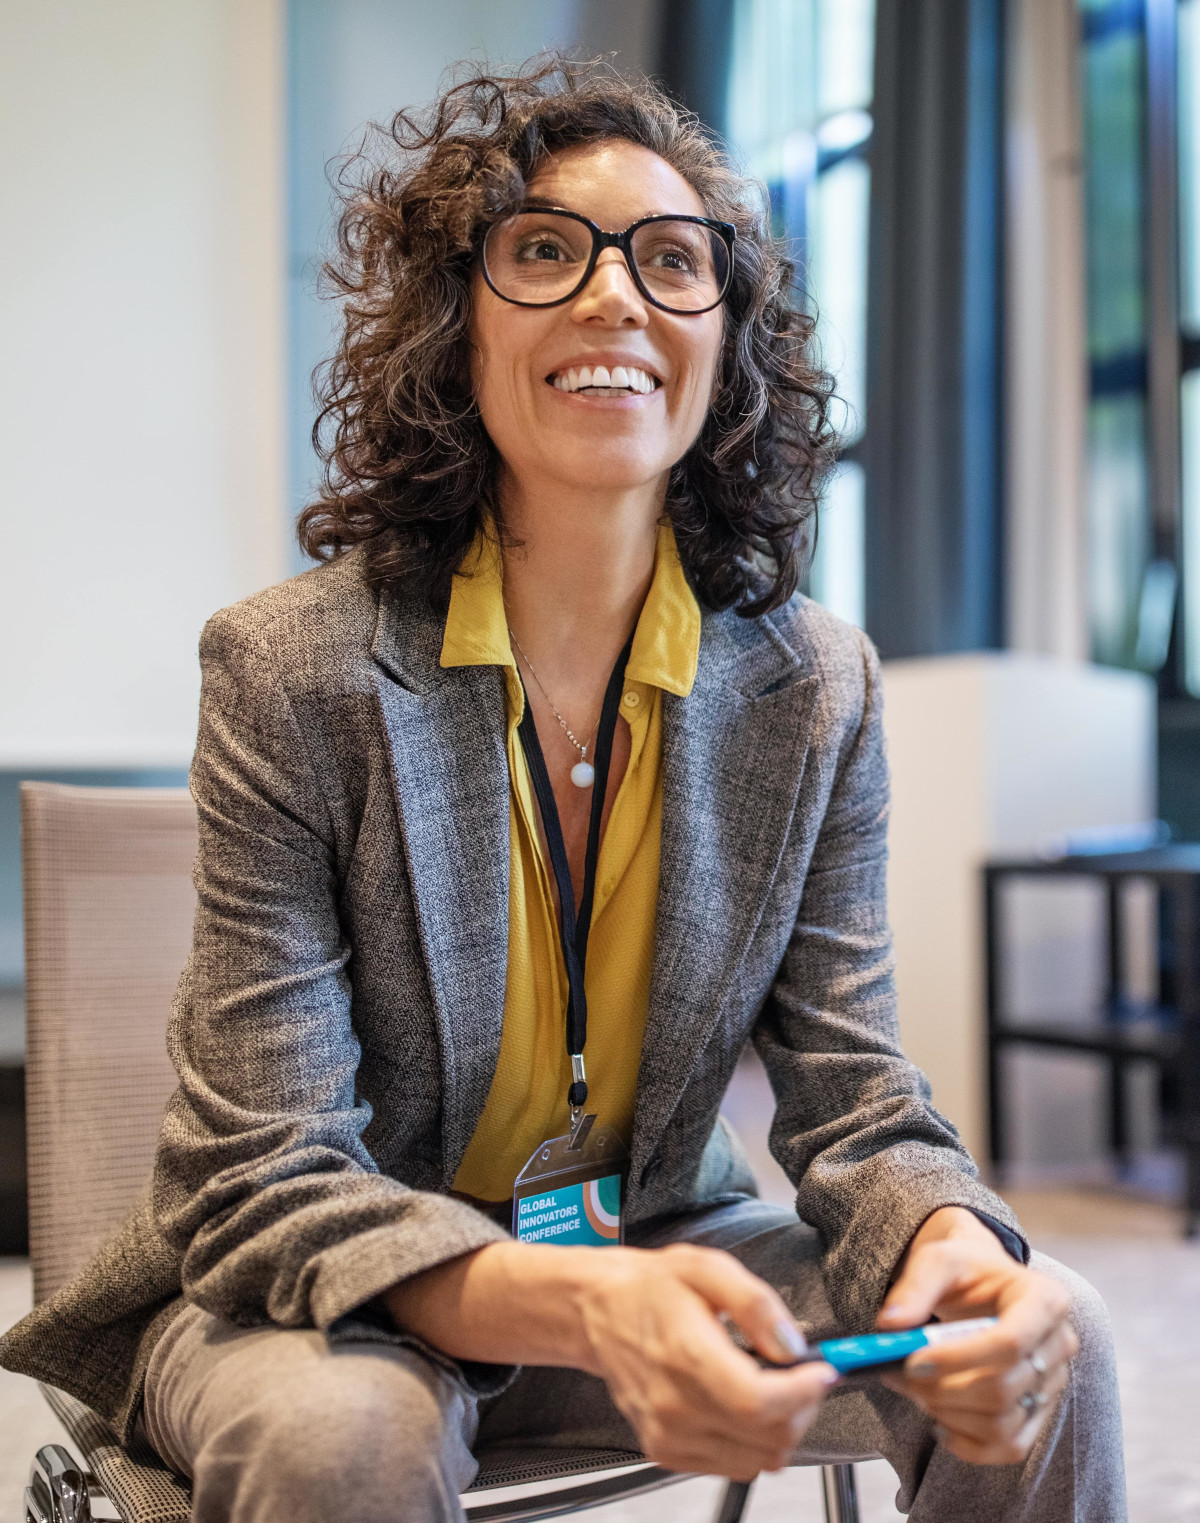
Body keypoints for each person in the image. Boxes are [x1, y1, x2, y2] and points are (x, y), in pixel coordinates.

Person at [0, 60, 1125, 1522]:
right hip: (329, 1293)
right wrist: (580, 1307)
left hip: (650, 1238)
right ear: (454, 327)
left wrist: (951, 1249)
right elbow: (264, 1174)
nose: (615, 300)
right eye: (546, 251)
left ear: (728, 341)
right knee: (342, 1441)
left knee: (1060, 1333)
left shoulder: (818, 690)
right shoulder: (294, 672)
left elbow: (858, 1107)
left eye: (672, 261)